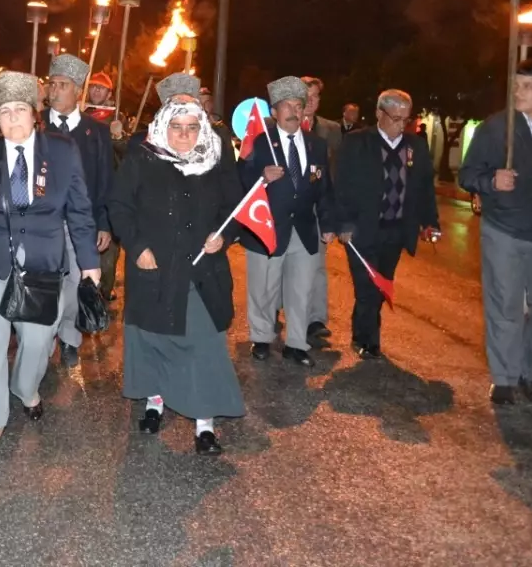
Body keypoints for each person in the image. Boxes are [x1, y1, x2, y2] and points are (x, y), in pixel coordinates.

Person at [0, 71, 101, 452]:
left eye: (20, 109)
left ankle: (25, 387)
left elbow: (80, 211)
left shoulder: (61, 150)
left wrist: (89, 262)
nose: (13, 119)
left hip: (41, 263)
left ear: (34, 113)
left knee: (38, 340)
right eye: (4, 111)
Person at [108, 97, 246, 455]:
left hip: (201, 269)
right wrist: (137, 248)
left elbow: (233, 209)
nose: (184, 134)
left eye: (191, 127)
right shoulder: (142, 158)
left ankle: (205, 424)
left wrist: (224, 235)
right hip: (153, 267)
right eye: (176, 126)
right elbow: (120, 206)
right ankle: (155, 402)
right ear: (163, 127)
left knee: (204, 345)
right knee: (152, 339)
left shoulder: (213, 160)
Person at [458, 59, 532, 404]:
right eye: (516, 85)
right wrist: (490, 181)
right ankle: (504, 378)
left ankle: (531, 371)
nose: (518, 92)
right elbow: (467, 173)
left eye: (528, 86)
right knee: (505, 306)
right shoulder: (497, 127)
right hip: (504, 229)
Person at [336, 89, 440, 359]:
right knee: (367, 288)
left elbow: (424, 187)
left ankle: (367, 332)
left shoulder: (414, 146)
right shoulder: (357, 142)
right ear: (379, 114)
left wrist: (430, 221)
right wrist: (343, 222)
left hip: (395, 230)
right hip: (362, 229)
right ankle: (366, 340)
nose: (400, 125)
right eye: (395, 118)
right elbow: (342, 185)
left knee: (382, 287)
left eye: (405, 120)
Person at [241, 77, 336, 366]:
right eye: (287, 107)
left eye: (298, 105)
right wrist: (261, 178)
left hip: (305, 229)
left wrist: (330, 223)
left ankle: (296, 344)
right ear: (274, 111)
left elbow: (325, 187)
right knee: (264, 287)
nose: (294, 112)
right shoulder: (259, 143)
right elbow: (238, 181)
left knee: (301, 288)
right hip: (267, 228)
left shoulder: (316, 144)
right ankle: (261, 337)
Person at [43, 53, 113, 367]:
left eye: (62, 85)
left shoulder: (95, 132)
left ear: (77, 91)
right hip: (41, 225)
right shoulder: (34, 125)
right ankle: (42, 341)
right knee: (43, 286)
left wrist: (104, 223)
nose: (54, 91)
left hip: (79, 225)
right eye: (51, 84)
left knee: (74, 286)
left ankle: (69, 337)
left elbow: (104, 181)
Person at [301, 75, 340, 342]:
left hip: (319, 208)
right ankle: (285, 309)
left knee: (316, 265)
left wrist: (335, 214)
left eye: (315, 96)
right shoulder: (277, 126)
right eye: (306, 96)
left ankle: (315, 319)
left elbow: (337, 173)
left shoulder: (331, 130)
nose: (311, 102)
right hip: (288, 208)